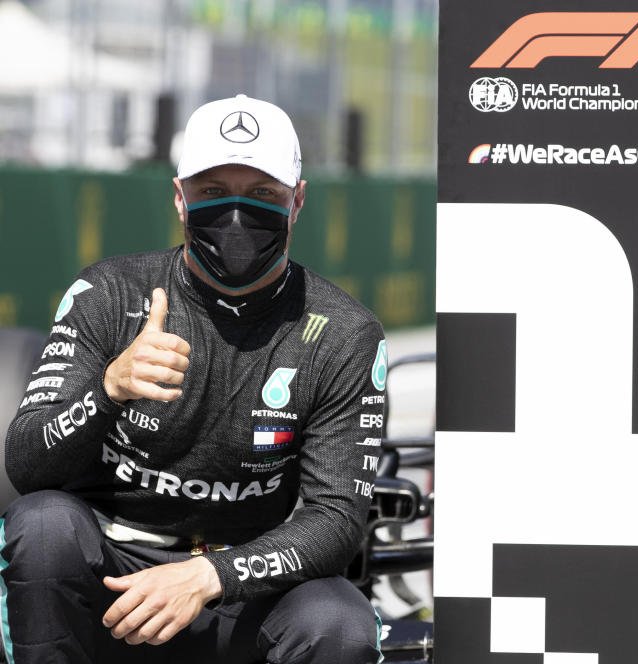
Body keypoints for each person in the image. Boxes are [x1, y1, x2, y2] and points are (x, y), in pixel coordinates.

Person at [1, 94, 387, 664]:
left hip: (242, 584)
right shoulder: (110, 294)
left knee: (338, 623)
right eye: (212, 193)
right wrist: (109, 387)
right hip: (115, 583)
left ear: (298, 201)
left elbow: (337, 520)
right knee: (43, 525)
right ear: (180, 198)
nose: (236, 214)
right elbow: (27, 463)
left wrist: (207, 575)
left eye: (261, 194)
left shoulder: (344, 334)